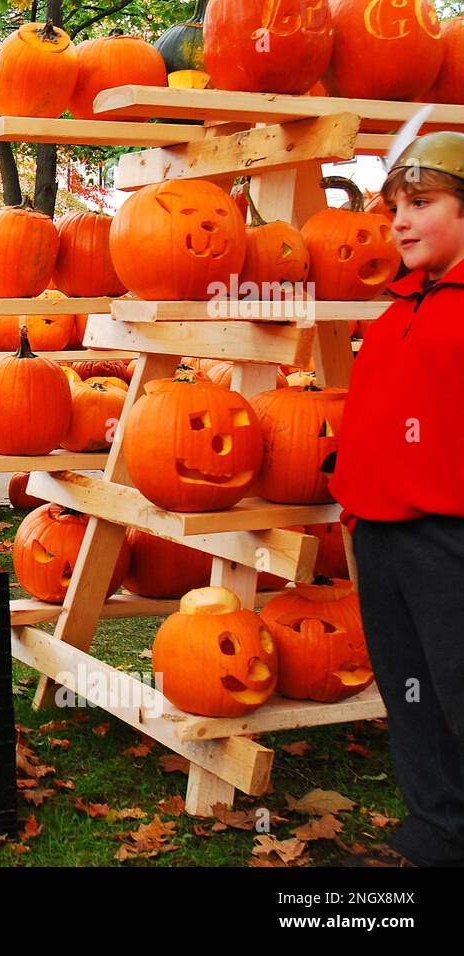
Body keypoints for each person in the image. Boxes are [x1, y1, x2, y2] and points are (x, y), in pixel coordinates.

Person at [329, 131, 464, 868]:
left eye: (421, 204)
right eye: (393, 209)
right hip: (380, 532)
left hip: (449, 534)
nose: (400, 223)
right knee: (411, 695)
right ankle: (434, 833)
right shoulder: (396, 310)